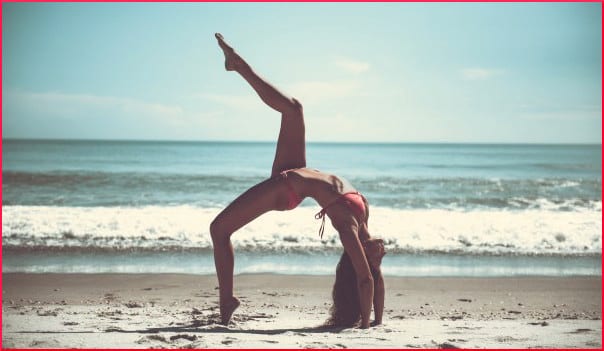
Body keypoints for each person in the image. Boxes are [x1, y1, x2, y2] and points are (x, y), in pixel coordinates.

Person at [210, 33, 385, 329]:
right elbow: (374, 277)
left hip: (286, 189)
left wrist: (366, 325)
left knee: (218, 229)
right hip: (297, 173)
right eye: (380, 255)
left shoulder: (348, 228)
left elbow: (367, 279)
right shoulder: (363, 211)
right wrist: (379, 319)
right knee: (294, 109)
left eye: (377, 256)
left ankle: (227, 299)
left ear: (361, 255)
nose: (382, 250)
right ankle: (238, 65)